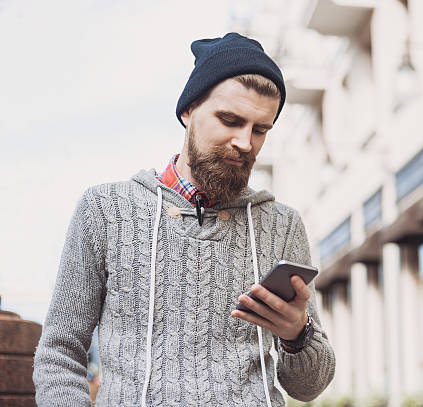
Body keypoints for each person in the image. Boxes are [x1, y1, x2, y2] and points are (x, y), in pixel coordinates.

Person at [33, 32, 335, 407]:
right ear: (188, 110)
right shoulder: (104, 210)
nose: (245, 142)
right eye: (229, 120)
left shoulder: (283, 226)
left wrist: (297, 334)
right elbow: (60, 355)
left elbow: (309, 388)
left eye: (260, 130)